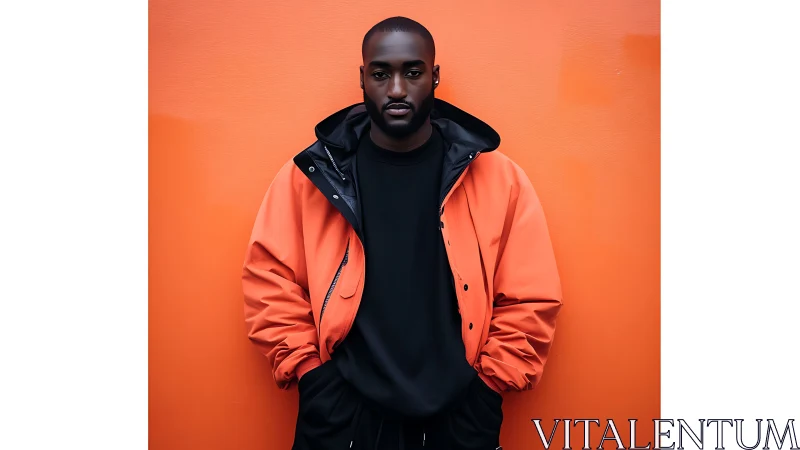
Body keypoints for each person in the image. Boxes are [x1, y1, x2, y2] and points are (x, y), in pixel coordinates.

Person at [243, 16, 562, 450]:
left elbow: (531, 296)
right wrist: (311, 376)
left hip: (459, 420)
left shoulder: (498, 178)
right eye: (381, 73)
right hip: (340, 418)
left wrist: (488, 389)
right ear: (362, 78)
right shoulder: (312, 176)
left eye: (412, 72)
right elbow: (268, 280)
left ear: (433, 77)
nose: (396, 89)